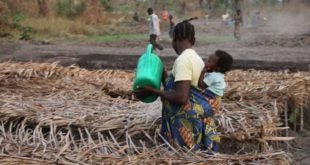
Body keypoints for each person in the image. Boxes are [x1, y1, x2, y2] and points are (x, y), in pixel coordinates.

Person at [136, 19, 225, 151]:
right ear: (193, 40)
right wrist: (162, 73)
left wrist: (154, 91)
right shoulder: (195, 57)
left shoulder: (183, 60)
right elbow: (181, 87)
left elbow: (181, 97)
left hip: (187, 133)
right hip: (196, 125)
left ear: (175, 39)